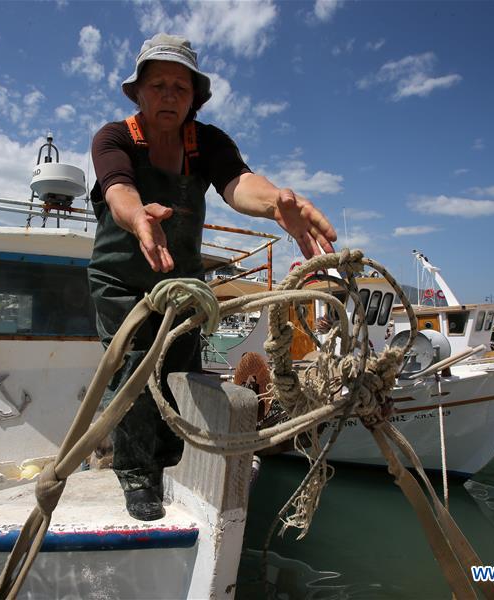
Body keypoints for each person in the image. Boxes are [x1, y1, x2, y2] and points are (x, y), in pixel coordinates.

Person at [88, 33, 337, 521]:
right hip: (120, 282)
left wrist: (276, 204)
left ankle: (169, 459)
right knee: (135, 368)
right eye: (158, 84)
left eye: (180, 87)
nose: (168, 94)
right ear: (138, 92)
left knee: (179, 367)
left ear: (194, 98)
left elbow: (239, 183)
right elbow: (118, 188)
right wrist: (138, 217)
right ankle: (136, 473)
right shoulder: (113, 138)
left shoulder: (207, 143)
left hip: (182, 284)